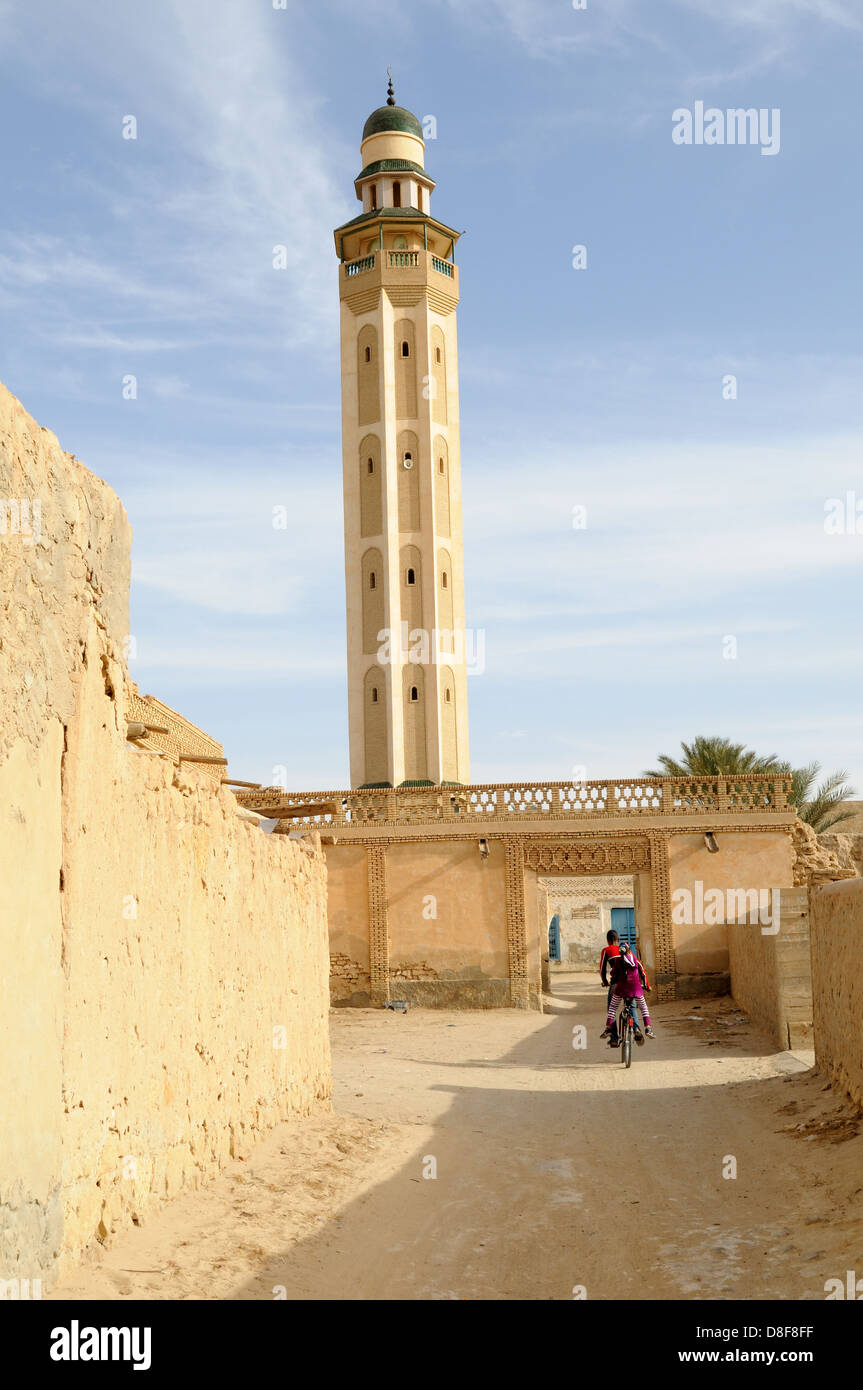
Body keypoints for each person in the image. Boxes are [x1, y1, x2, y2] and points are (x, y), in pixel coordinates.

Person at [606, 941, 655, 1046]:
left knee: (613, 1007)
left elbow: (612, 973)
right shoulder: (635, 960)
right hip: (636, 989)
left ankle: (608, 1028)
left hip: (621, 989)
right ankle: (647, 1028)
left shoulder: (618, 961)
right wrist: (647, 986)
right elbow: (643, 973)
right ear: (629, 950)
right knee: (643, 1007)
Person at [599, 929, 621, 1039]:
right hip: (630, 982)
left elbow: (602, 970)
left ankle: (614, 1038)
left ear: (608, 940)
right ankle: (636, 1028)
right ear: (618, 940)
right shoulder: (625, 949)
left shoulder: (606, 950)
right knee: (631, 1006)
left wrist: (605, 981)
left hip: (616, 982)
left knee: (611, 1007)